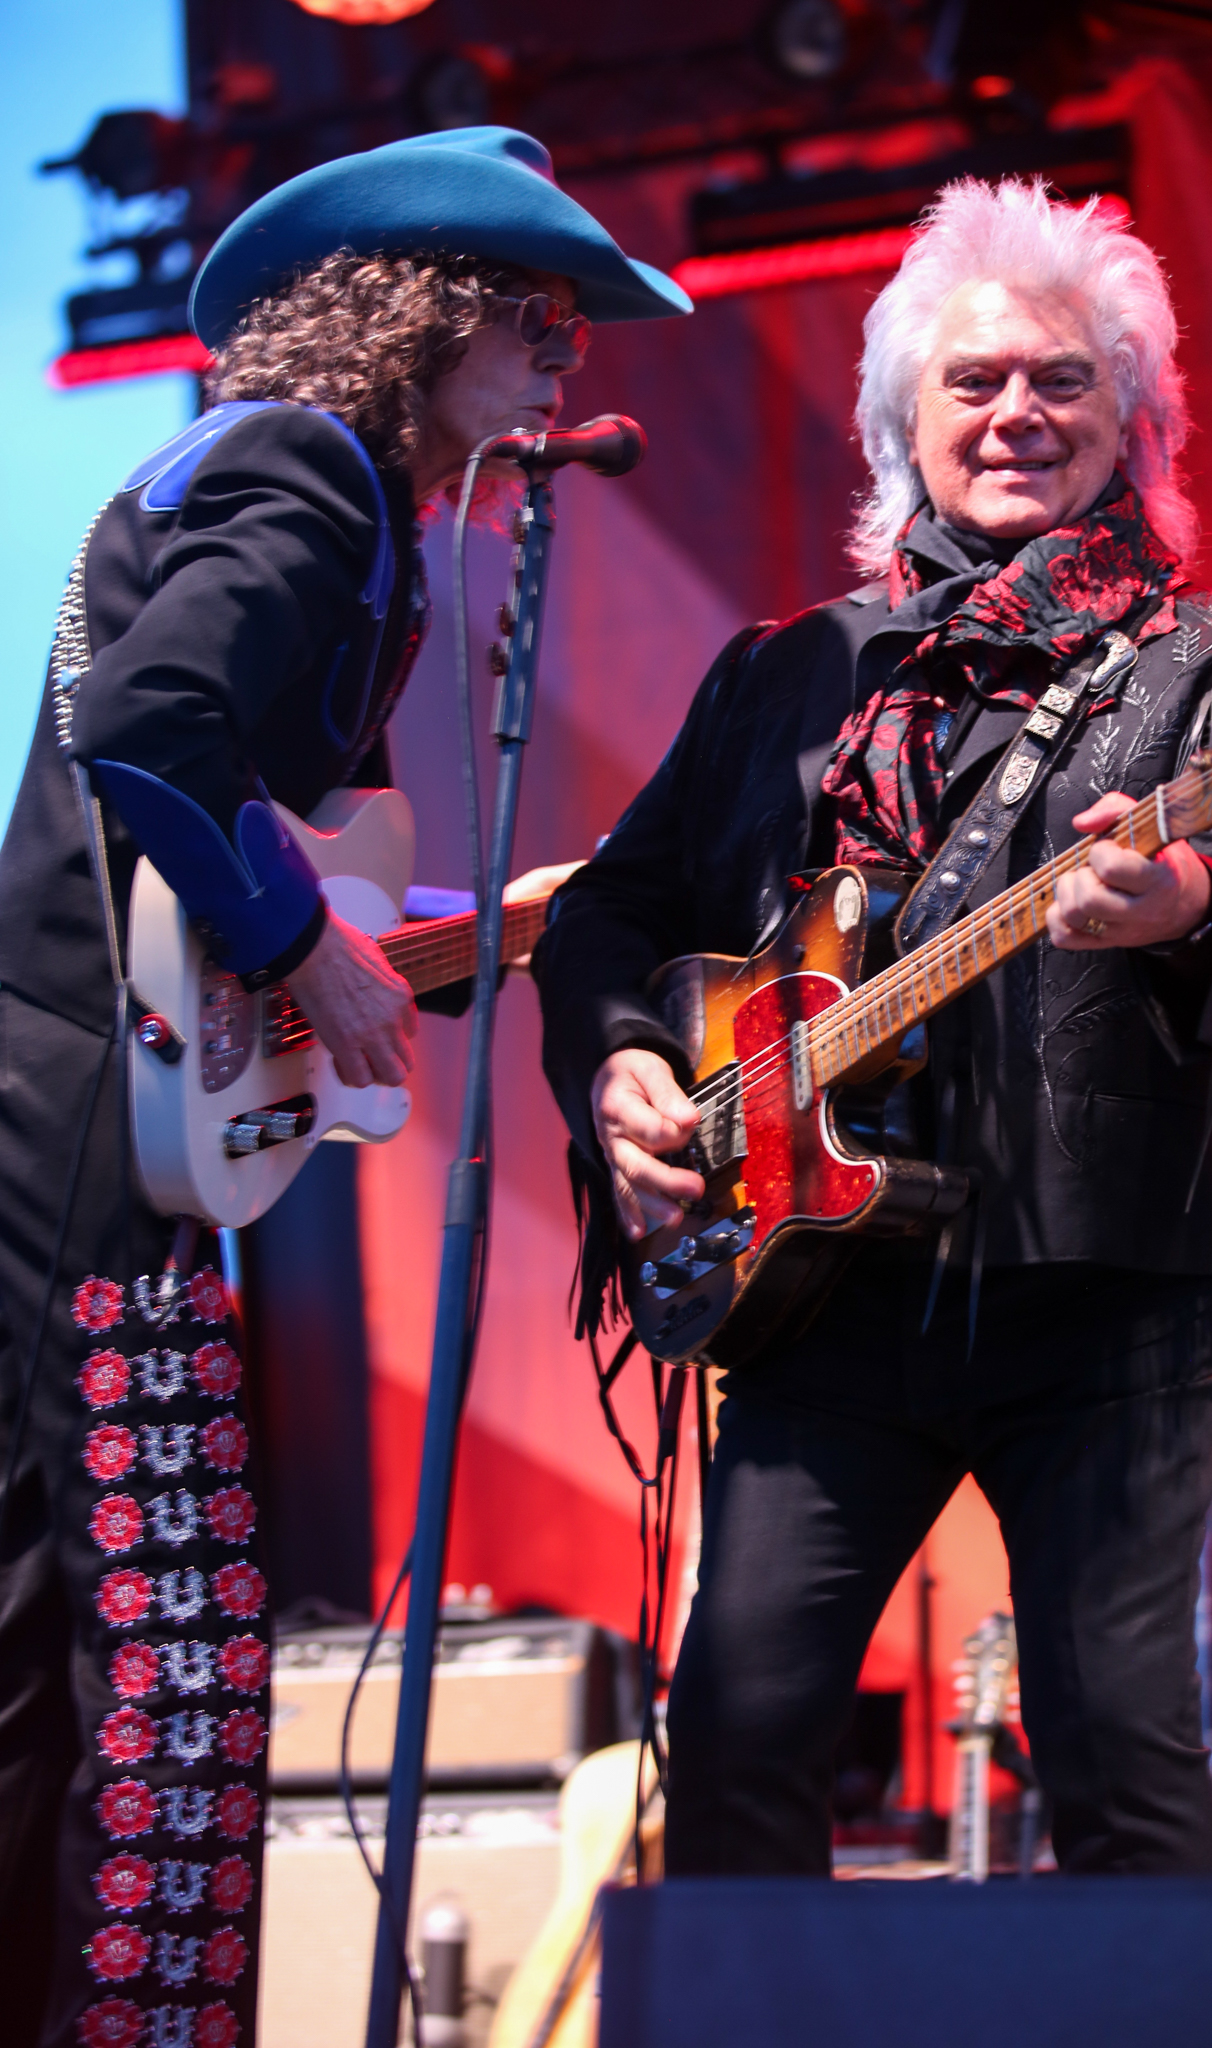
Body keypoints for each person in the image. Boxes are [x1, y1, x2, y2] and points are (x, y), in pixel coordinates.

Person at [534, 179, 1212, 1880]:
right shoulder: (789, 671)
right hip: (824, 1299)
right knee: (743, 1739)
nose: (1015, 414)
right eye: (971, 382)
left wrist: (1185, 904)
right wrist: (620, 1053)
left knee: (1114, 1752)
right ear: (901, 422)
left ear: (1131, 415)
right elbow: (617, 909)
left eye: (1058, 379)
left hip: (1103, 1293)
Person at [0, 126, 689, 2048]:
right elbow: (151, 733)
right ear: (422, 313)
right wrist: (305, 948)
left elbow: (289, 845)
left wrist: (499, 918)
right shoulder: (310, 471)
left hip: (71, 1102)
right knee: (189, 1656)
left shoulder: (295, 490)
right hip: (86, 1128)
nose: (567, 358)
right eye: (537, 316)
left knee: (53, 1649)